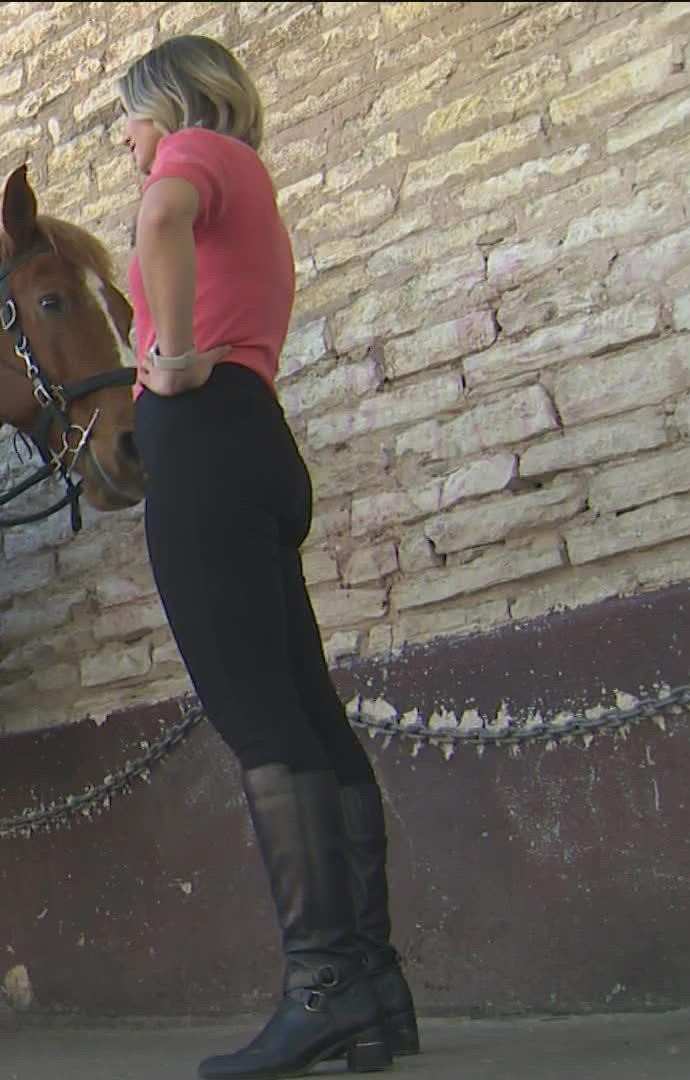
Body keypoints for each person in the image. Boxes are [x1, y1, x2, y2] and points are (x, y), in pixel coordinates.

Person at [115, 35, 417, 1079]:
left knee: (260, 723)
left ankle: (323, 985)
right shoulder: (252, 180)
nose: (128, 140)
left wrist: (171, 351)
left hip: (206, 449)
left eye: (129, 117)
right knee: (308, 718)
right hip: (258, 445)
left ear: (169, 105)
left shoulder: (194, 154)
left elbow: (160, 215)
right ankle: (373, 987)